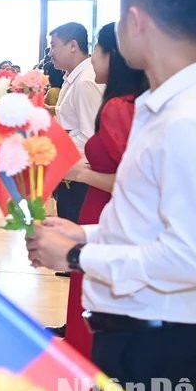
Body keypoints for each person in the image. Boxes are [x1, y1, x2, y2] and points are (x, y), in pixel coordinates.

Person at [27, 0, 196, 391]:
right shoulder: (165, 107)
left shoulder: (192, 118)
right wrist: (85, 236)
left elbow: (193, 259)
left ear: (133, 21)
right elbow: (145, 218)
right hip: (139, 333)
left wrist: (77, 257)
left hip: (161, 346)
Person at [61, 22, 148, 360]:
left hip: (106, 212)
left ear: (114, 56)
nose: (93, 59)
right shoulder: (134, 102)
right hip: (108, 211)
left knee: (94, 300)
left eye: (97, 50)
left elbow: (132, 181)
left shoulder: (117, 108)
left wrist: (79, 173)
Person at [46, 22, 105, 223]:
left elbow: (91, 138)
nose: (50, 52)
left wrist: (52, 150)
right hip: (71, 172)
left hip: (80, 178)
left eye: (54, 46)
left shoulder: (86, 81)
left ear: (72, 45)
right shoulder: (73, 78)